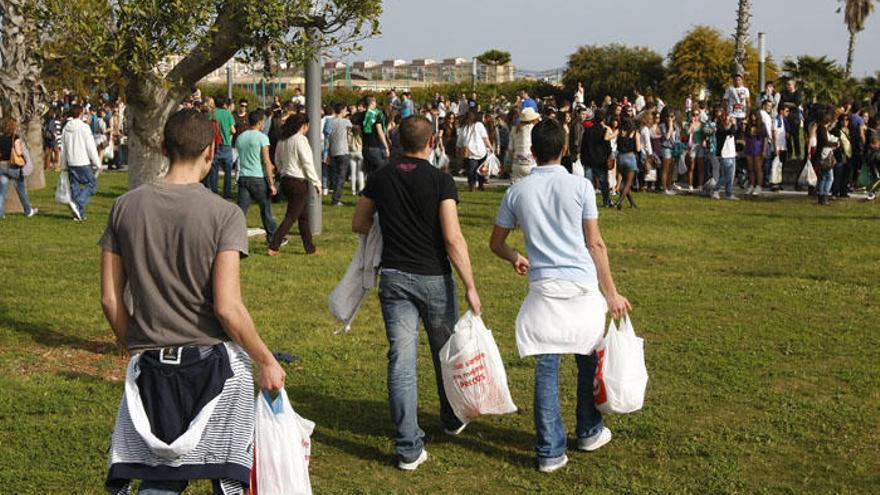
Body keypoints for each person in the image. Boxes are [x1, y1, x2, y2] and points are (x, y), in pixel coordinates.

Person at [100, 109, 285, 495]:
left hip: (151, 364)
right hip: (212, 366)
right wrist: (266, 359)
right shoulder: (224, 214)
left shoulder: (124, 207)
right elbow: (227, 307)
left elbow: (110, 298)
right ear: (210, 150)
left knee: (160, 475)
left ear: (164, 147)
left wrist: (132, 343)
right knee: (228, 474)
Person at [489, 118, 631, 474]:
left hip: (545, 292)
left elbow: (496, 243)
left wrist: (515, 257)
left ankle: (550, 450)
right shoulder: (580, 186)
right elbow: (594, 243)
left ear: (532, 152)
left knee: (547, 369)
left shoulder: (517, 192)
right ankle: (588, 430)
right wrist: (611, 293)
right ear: (565, 150)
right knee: (587, 362)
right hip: (582, 289)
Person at [351, 115, 482, 471]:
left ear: (395, 141)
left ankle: (408, 445)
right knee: (446, 353)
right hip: (434, 277)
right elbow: (453, 237)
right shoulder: (440, 180)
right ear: (433, 141)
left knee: (402, 360)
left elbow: (359, 222)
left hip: (394, 277)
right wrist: (470, 284)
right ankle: (452, 417)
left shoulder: (381, 177)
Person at [269, 114, 321, 256]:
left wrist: (283, 171)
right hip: (298, 182)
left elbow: (277, 161)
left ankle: (310, 248)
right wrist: (316, 182)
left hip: (286, 180)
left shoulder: (282, 140)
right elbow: (307, 163)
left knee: (303, 217)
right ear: (303, 125)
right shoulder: (301, 140)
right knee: (291, 216)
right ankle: (274, 246)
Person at [235, 109, 278, 245]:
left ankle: (233, 235)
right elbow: (266, 161)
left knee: (241, 210)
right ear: (260, 123)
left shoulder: (240, 137)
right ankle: (273, 238)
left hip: (243, 176)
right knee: (266, 210)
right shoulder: (262, 138)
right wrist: (271, 183)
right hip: (258, 177)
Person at [60, 104, 101, 221]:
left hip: (71, 161)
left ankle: (79, 214)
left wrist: (63, 165)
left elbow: (63, 147)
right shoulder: (84, 127)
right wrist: (97, 163)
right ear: (80, 114)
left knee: (75, 188)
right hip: (82, 161)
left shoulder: (66, 128)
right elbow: (91, 147)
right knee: (92, 185)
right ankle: (78, 203)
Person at [0, 117, 37, 219]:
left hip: (2, 166)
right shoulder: (14, 138)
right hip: (13, 167)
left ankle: (0, 213)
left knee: (1, 192)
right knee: (21, 191)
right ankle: (28, 210)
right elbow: (19, 152)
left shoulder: (1, 138)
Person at [581, 108, 615, 207]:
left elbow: (583, 146)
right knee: (604, 183)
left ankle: (587, 202)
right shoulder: (604, 131)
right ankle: (606, 201)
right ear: (603, 119)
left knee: (588, 183)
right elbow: (608, 147)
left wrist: (583, 158)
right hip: (600, 161)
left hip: (589, 160)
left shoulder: (588, 130)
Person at [206, 98, 237, 198]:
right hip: (226, 145)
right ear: (224, 104)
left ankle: (214, 192)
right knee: (228, 171)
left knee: (214, 169)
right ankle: (227, 193)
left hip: (215, 145)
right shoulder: (228, 114)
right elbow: (233, 131)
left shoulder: (211, 113)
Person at [457, 111, 492, 191]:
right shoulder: (479, 125)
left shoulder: (463, 127)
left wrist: (458, 149)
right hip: (481, 151)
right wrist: (490, 147)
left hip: (470, 152)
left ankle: (472, 185)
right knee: (481, 169)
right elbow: (485, 138)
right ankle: (481, 185)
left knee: (471, 170)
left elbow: (460, 141)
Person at [711, 110, 740, 200]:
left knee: (731, 176)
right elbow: (729, 132)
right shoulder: (720, 130)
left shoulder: (730, 128)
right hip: (724, 155)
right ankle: (715, 190)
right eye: (727, 119)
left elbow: (734, 133)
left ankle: (729, 193)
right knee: (726, 176)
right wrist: (733, 124)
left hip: (731, 154)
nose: (729, 121)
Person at [358, 96, 390, 175]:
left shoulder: (361, 115)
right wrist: (386, 146)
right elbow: (380, 131)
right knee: (381, 170)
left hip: (365, 146)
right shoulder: (376, 114)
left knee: (370, 173)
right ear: (372, 103)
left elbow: (359, 131)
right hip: (375, 146)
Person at [328, 103, 353, 206]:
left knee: (336, 175)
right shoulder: (346, 121)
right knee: (341, 176)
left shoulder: (330, 122)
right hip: (343, 150)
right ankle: (336, 198)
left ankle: (334, 195)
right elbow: (353, 130)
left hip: (333, 150)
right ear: (342, 110)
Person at [615, 116, 641, 209]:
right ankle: (619, 201)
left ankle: (632, 203)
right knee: (628, 182)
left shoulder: (620, 132)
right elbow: (638, 148)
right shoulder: (635, 133)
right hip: (630, 157)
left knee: (625, 181)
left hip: (621, 157)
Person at [510, 108, 541, 182]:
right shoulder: (533, 128)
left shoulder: (514, 129)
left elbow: (510, 149)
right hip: (530, 163)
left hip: (517, 164)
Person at [744, 109, 768, 195]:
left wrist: (764, 150)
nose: (753, 118)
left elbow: (765, 138)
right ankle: (751, 185)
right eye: (752, 116)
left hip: (758, 148)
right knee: (750, 168)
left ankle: (759, 186)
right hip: (749, 148)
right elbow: (745, 137)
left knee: (758, 168)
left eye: (755, 116)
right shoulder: (748, 125)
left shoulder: (762, 125)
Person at [779, 79, 803, 158]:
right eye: (787, 84)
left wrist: (786, 104)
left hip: (795, 118)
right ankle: (789, 153)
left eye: (789, 84)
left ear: (794, 85)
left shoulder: (797, 93)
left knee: (795, 136)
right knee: (787, 136)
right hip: (786, 118)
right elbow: (780, 105)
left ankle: (798, 154)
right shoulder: (784, 94)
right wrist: (788, 104)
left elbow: (797, 103)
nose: (788, 86)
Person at [658, 108, 680, 195]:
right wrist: (670, 127)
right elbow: (666, 137)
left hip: (674, 149)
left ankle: (669, 186)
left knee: (671, 169)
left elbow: (678, 139)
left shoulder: (677, 127)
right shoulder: (662, 126)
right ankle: (664, 189)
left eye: (672, 116)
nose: (670, 118)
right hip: (666, 148)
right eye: (668, 117)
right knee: (665, 169)